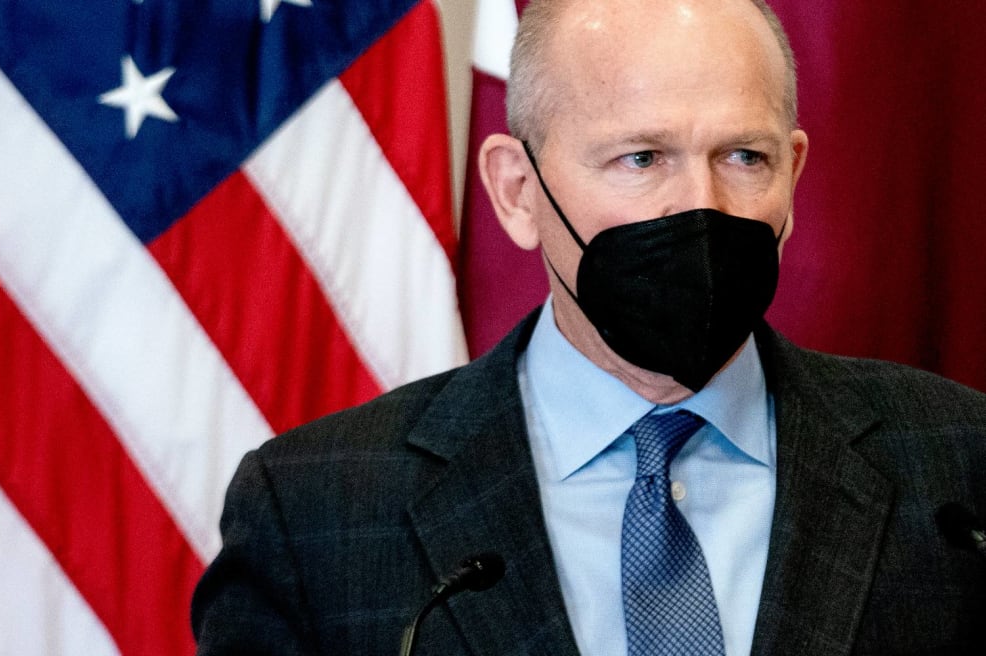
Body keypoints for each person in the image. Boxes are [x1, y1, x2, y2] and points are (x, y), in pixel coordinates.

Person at [191, 0, 986, 653]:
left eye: (744, 157)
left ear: (794, 171)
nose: (699, 205)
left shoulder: (960, 472)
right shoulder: (316, 512)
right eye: (641, 159)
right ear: (516, 191)